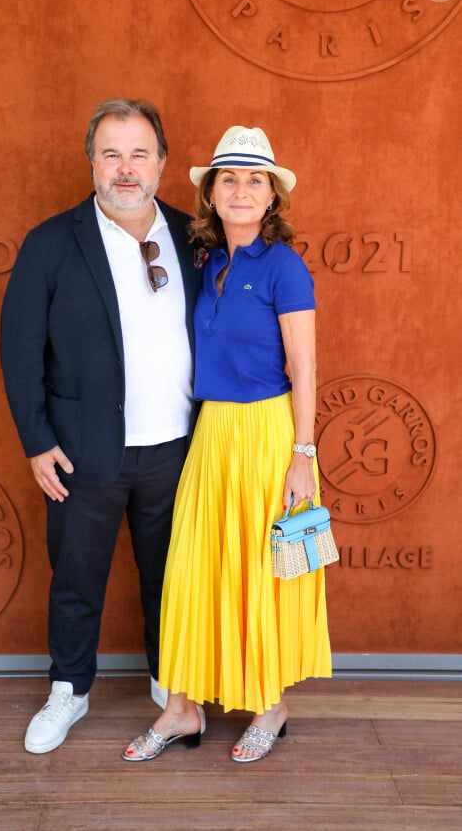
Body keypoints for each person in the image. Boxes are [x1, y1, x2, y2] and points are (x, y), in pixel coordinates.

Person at [122, 125, 332, 764]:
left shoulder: (286, 267)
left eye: (256, 180)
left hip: (269, 437)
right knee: (195, 570)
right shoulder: (205, 261)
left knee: (261, 574)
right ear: (212, 194)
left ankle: (271, 705)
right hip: (211, 434)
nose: (242, 190)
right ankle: (182, 711)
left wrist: (304, 455)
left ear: (272, 197)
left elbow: (306, 368)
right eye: (230, 178)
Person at [0, 98, 202, 754]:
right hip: (83, 453)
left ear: (162, 163)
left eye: (138, 153)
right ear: (92, 161)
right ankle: (69, 690)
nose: (125, 167)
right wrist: (36, 442)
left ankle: (169, 684)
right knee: (77, 578)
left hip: (177, 449)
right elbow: (19, 347)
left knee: (171, 578)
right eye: (111, 153)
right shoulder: (52, 243)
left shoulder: (193, 236)